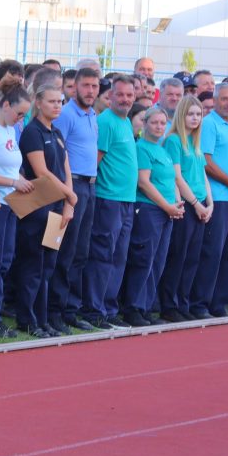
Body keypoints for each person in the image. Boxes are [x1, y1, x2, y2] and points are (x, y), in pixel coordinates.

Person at [13, 80, 75, 338]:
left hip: (56, 206)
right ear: (37, 103)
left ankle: (42, 317)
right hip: (36, 207)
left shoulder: (57, 133)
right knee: (32, 265)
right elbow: (41, 171)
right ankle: (27, 319)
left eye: (60, 101)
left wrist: (68, 201)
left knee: (48, 265)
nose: (57, 106)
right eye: (51, 101)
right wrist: (69, 193)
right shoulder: (32, 132)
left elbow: (65, 167)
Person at [0, 86, 33, 336]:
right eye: (19, 113)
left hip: (12, 202)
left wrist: (19, 179)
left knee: (5, 260)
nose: (20, 119)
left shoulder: (11, 129)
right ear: (6, 105)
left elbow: (12, 165)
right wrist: (13, 182)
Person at [85, 74, 139, 327]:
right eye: (121, 94)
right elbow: (94, 162)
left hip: (127, 199)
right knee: (103, 255)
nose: (125, 99)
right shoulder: (105, 121)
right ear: (111, 96)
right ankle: (94, 309)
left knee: (119, 256)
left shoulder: (126, 122)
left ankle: (108, 307)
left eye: (130, 95)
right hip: (109, 199)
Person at [121, 106, 183, 326]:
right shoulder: (142, 148)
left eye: (162, 123)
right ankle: (133, 308)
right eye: (154, 122)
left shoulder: (163, 150)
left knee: (158, 260)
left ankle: (146, 306)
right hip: (149, 209)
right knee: (143, 259)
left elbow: (173, 179)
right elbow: (144, 182)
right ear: (145, 124)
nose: (158, 127)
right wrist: (167, 206)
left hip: (167, 210)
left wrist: (176, 202)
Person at [50, 66, 100, 329]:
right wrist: (68, 195)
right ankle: (55, 310)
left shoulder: (93, 115)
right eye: (86, 86)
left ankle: (71, 309)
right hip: (71, 187)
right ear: (75, 87)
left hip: (90, 187)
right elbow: (60, 157)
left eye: (95, 86)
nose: (90, 91)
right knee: (63, 250)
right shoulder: (66, 114)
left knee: (81, 252)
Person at [193, 81, 228, 318]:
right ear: (214, 100)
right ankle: (201, 303)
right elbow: (206, 162)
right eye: (224, 98)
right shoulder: (209, 124)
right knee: (212, 252)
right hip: (217, 197)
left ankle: (219, 304)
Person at [157, 95, 213, 323]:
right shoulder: (173, 141)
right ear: (182, 115)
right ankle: (169, 304)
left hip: (201, 205)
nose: (195, 118)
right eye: (190, 114)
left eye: (198, 114)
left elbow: (203, 174)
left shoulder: (196, 142)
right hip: (187, 204)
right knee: (178, 256)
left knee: (192, 258)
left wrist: (210, 203)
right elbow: (178, 178)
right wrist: (196, 204)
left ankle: (183, 301)